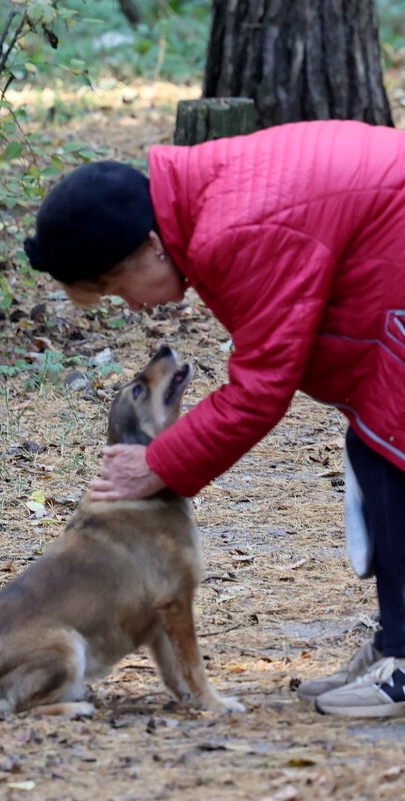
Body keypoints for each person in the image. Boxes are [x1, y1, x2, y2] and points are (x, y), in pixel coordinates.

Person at [24, 119, 405, 718]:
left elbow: (261, 388)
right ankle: (395, 642)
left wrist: (156, 465)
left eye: (122, 289)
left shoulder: (234, 231)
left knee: (391, 453)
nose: (137, 306)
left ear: (150, 243)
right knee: (379, 448)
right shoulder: (204, 202)